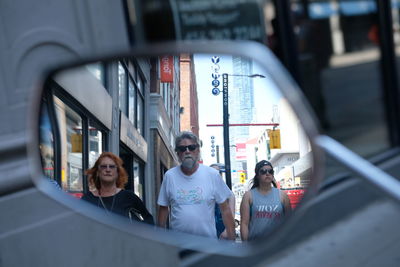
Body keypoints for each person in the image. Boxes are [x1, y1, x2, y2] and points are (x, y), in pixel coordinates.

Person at [157, 131, 235, 240]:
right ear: (177, 153)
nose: (187, 151)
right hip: (178, 246)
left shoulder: (212, 175)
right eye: (182, 149)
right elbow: (164, 208)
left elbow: (225, 209)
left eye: (191, 147)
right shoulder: (170, 176)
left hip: (207, 246)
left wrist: (231, 237)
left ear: (198, 150)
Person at [82, 152, 154, 225]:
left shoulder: (129, 197)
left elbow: (149, 221)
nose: (108, 170)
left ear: (118, 172)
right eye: (103, 166)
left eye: (112, 166)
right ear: (97, 172)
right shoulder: (87, 199)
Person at [240, 160, 291, 241]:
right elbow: (244, 223)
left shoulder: (283, 196)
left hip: (277, 244)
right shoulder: (248, 196)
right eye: (263, 171)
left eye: (270, 171)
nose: (267, 174)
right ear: (257, 175)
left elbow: (289, 222)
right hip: (255, 245)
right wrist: (245, 246)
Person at [210, 163, 236, 239]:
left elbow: (231, 216)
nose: (215, 176)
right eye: (212, 173)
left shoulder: (229, 194)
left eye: (218, 173)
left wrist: (226, 232)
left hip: (224, 232)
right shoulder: (204, 193)